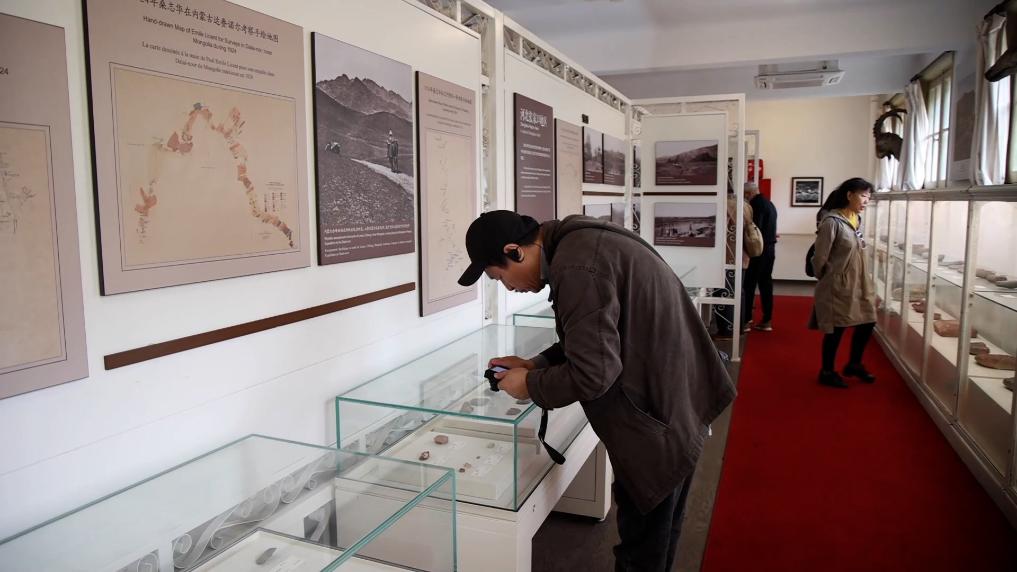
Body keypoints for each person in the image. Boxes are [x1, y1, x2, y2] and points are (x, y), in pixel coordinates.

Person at [456, 210, 736, 572]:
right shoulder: (580, 244)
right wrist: (536, 364)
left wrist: (529, 385)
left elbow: (593, 373)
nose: (508, 288)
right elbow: (596, 340)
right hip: (674, 403)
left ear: (515, 251)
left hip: (659, 420)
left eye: (499, 277)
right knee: (659, 536)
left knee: (643, 550)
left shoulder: (576, 267)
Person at [809, 178, 877, 388]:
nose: (866, 201)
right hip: (838, 285)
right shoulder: (832, 222)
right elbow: (820, 258)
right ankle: (827, 371)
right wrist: (829, 277)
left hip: (860, 283)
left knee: (868, 320)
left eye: (868, 197)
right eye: (863, 196)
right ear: (849, 195)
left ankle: (854, 363)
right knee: (836, 328)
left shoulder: (856, 219)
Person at [713, 184, 755, 338]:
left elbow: (719, 231)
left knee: (724, 292)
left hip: (728, 255)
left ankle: (727, 330)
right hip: (742, 254)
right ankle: (739, 326)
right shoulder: (745, 205)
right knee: (738, 291)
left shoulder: (725, 206)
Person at [742, 182, 777, 332]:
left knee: (749, 284)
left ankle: (746, 320)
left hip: (758, 251)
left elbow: (754, 231)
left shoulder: (755, 205)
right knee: (766, 284)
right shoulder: (769, 203)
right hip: (770, 249)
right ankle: (767, 320)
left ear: (748, 193)